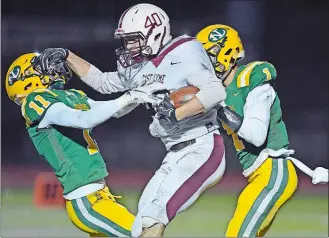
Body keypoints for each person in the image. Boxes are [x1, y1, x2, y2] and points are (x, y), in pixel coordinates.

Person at [38, 3, 227, 237]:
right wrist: (68, 56)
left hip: (202, 147)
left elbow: (215, 92)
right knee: (140, 223)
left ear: (155, 32)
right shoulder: (143, 66)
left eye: (133, 39)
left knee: (154, 218)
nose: (128, 47)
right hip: (175, 153)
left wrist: (175, 112)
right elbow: (103, 82)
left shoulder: (185, 52)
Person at [5, 52, 161, 237]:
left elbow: (113, 110)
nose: (52, 69)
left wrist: (140, 95)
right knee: (146, 234)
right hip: (86, 201)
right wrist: (129, 97)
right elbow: (84, 119)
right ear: (27, 81)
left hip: (101, 195)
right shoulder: (34, 101)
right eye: (40, 67)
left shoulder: (70, 95)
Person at [196, 24, 329, 237]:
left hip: (274, 170)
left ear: (228, 53)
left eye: (208, 56)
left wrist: (217, 108)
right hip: (259, 174)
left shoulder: (251, 79)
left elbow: (256, 136)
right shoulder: (218, 91)